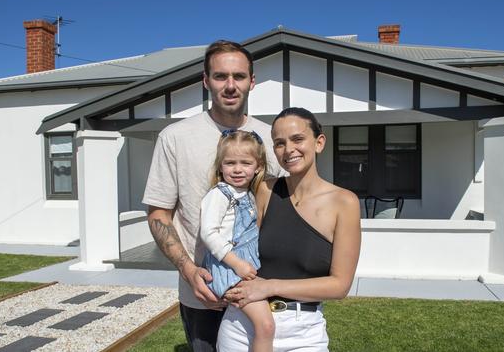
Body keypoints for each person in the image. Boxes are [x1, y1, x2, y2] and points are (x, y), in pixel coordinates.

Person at [142, 40, 282, 351]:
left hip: (258, 285)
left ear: (252, 81)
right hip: (202, 293)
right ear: (206, 81)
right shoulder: (175, 138)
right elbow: (158, 215)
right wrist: (188, 270)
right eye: (220, 76)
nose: (230, 86)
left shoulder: (271, 139)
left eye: (239, 76)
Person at [218, 107, 362, 351]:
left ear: (319, 142)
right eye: (279, 143)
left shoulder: (344, 203)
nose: (289, 150)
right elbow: (234, 243)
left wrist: (270, 286)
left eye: (297, 139)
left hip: (303, 332)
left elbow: (340, 285)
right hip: (243, 326)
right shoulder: (265, 190)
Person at [200, 129, 275, 352]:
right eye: (230, 162)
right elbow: (209, 233)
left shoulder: (247, 194)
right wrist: (237, 264)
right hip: (229, 268)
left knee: (254, 325)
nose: (238, 169)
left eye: (245, 163)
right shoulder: (220, 194)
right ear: (220, 166)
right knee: (266, 325)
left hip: (242, 267)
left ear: (258, 167)